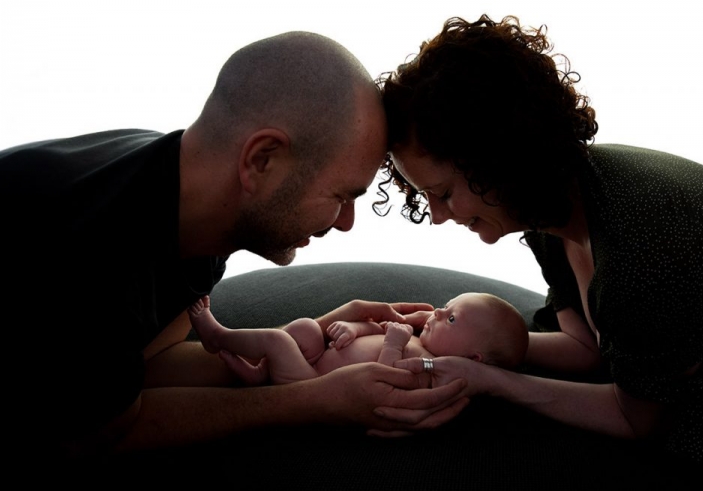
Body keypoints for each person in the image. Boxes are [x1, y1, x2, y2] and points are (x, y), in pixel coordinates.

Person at [1, 31, 470, 464]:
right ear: (261, 160)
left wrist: (308, 343)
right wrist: (314, 399)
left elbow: (148, 365)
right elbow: (100, 432)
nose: (345, 223)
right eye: (342, 196)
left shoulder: (194, 204)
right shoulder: (92, 253)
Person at [372, 14, 703, 474]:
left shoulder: (639, 243)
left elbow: (638, 418)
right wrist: (468, 340)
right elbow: (586, 346)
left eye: (442, 194)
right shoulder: (553, 214)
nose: (438, 217)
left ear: (496, 157)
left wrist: (490, 380)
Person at [188, 292, 528, 384]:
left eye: (452, 318)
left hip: (313, 382)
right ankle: (262, 372)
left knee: (279, 343)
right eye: (445, 306)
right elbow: (375, 330)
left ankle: (218, 336)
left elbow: (386, 382)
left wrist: (394, 346)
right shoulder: (416, 337)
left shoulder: (434, 372)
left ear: (473, 358)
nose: (437, 313)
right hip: (320, 357)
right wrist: (353, 328)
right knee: (306, 327)